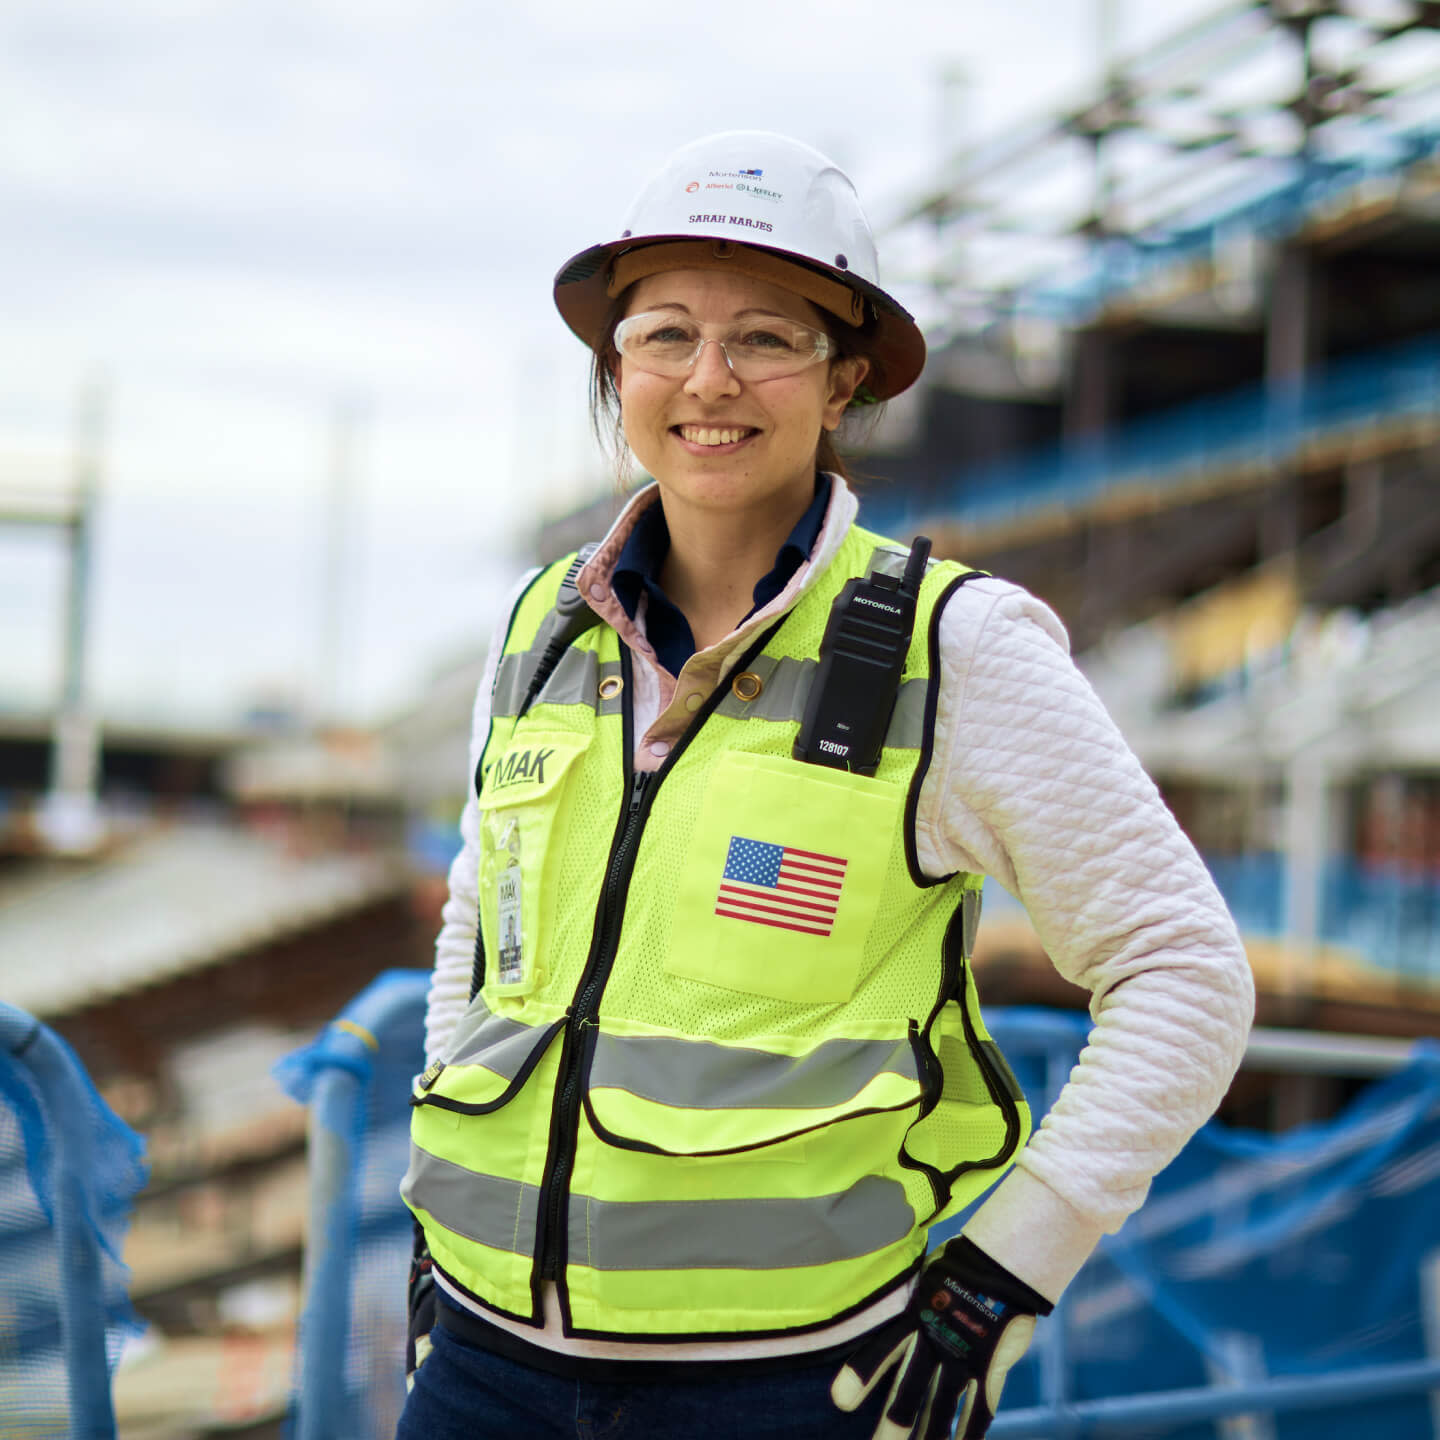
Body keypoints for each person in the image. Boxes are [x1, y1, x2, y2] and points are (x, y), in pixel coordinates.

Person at [397, 130, 1254, 1440]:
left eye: (767, 340)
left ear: (845, 380)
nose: (709, 380)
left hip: (790, 1388)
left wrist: (999, 1281)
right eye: (667, 334)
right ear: (614, 368)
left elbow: (1186, 973)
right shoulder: (537, 632)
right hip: (480, 1363)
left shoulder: (953, 647)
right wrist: (435, 1202)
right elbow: (483, 925)